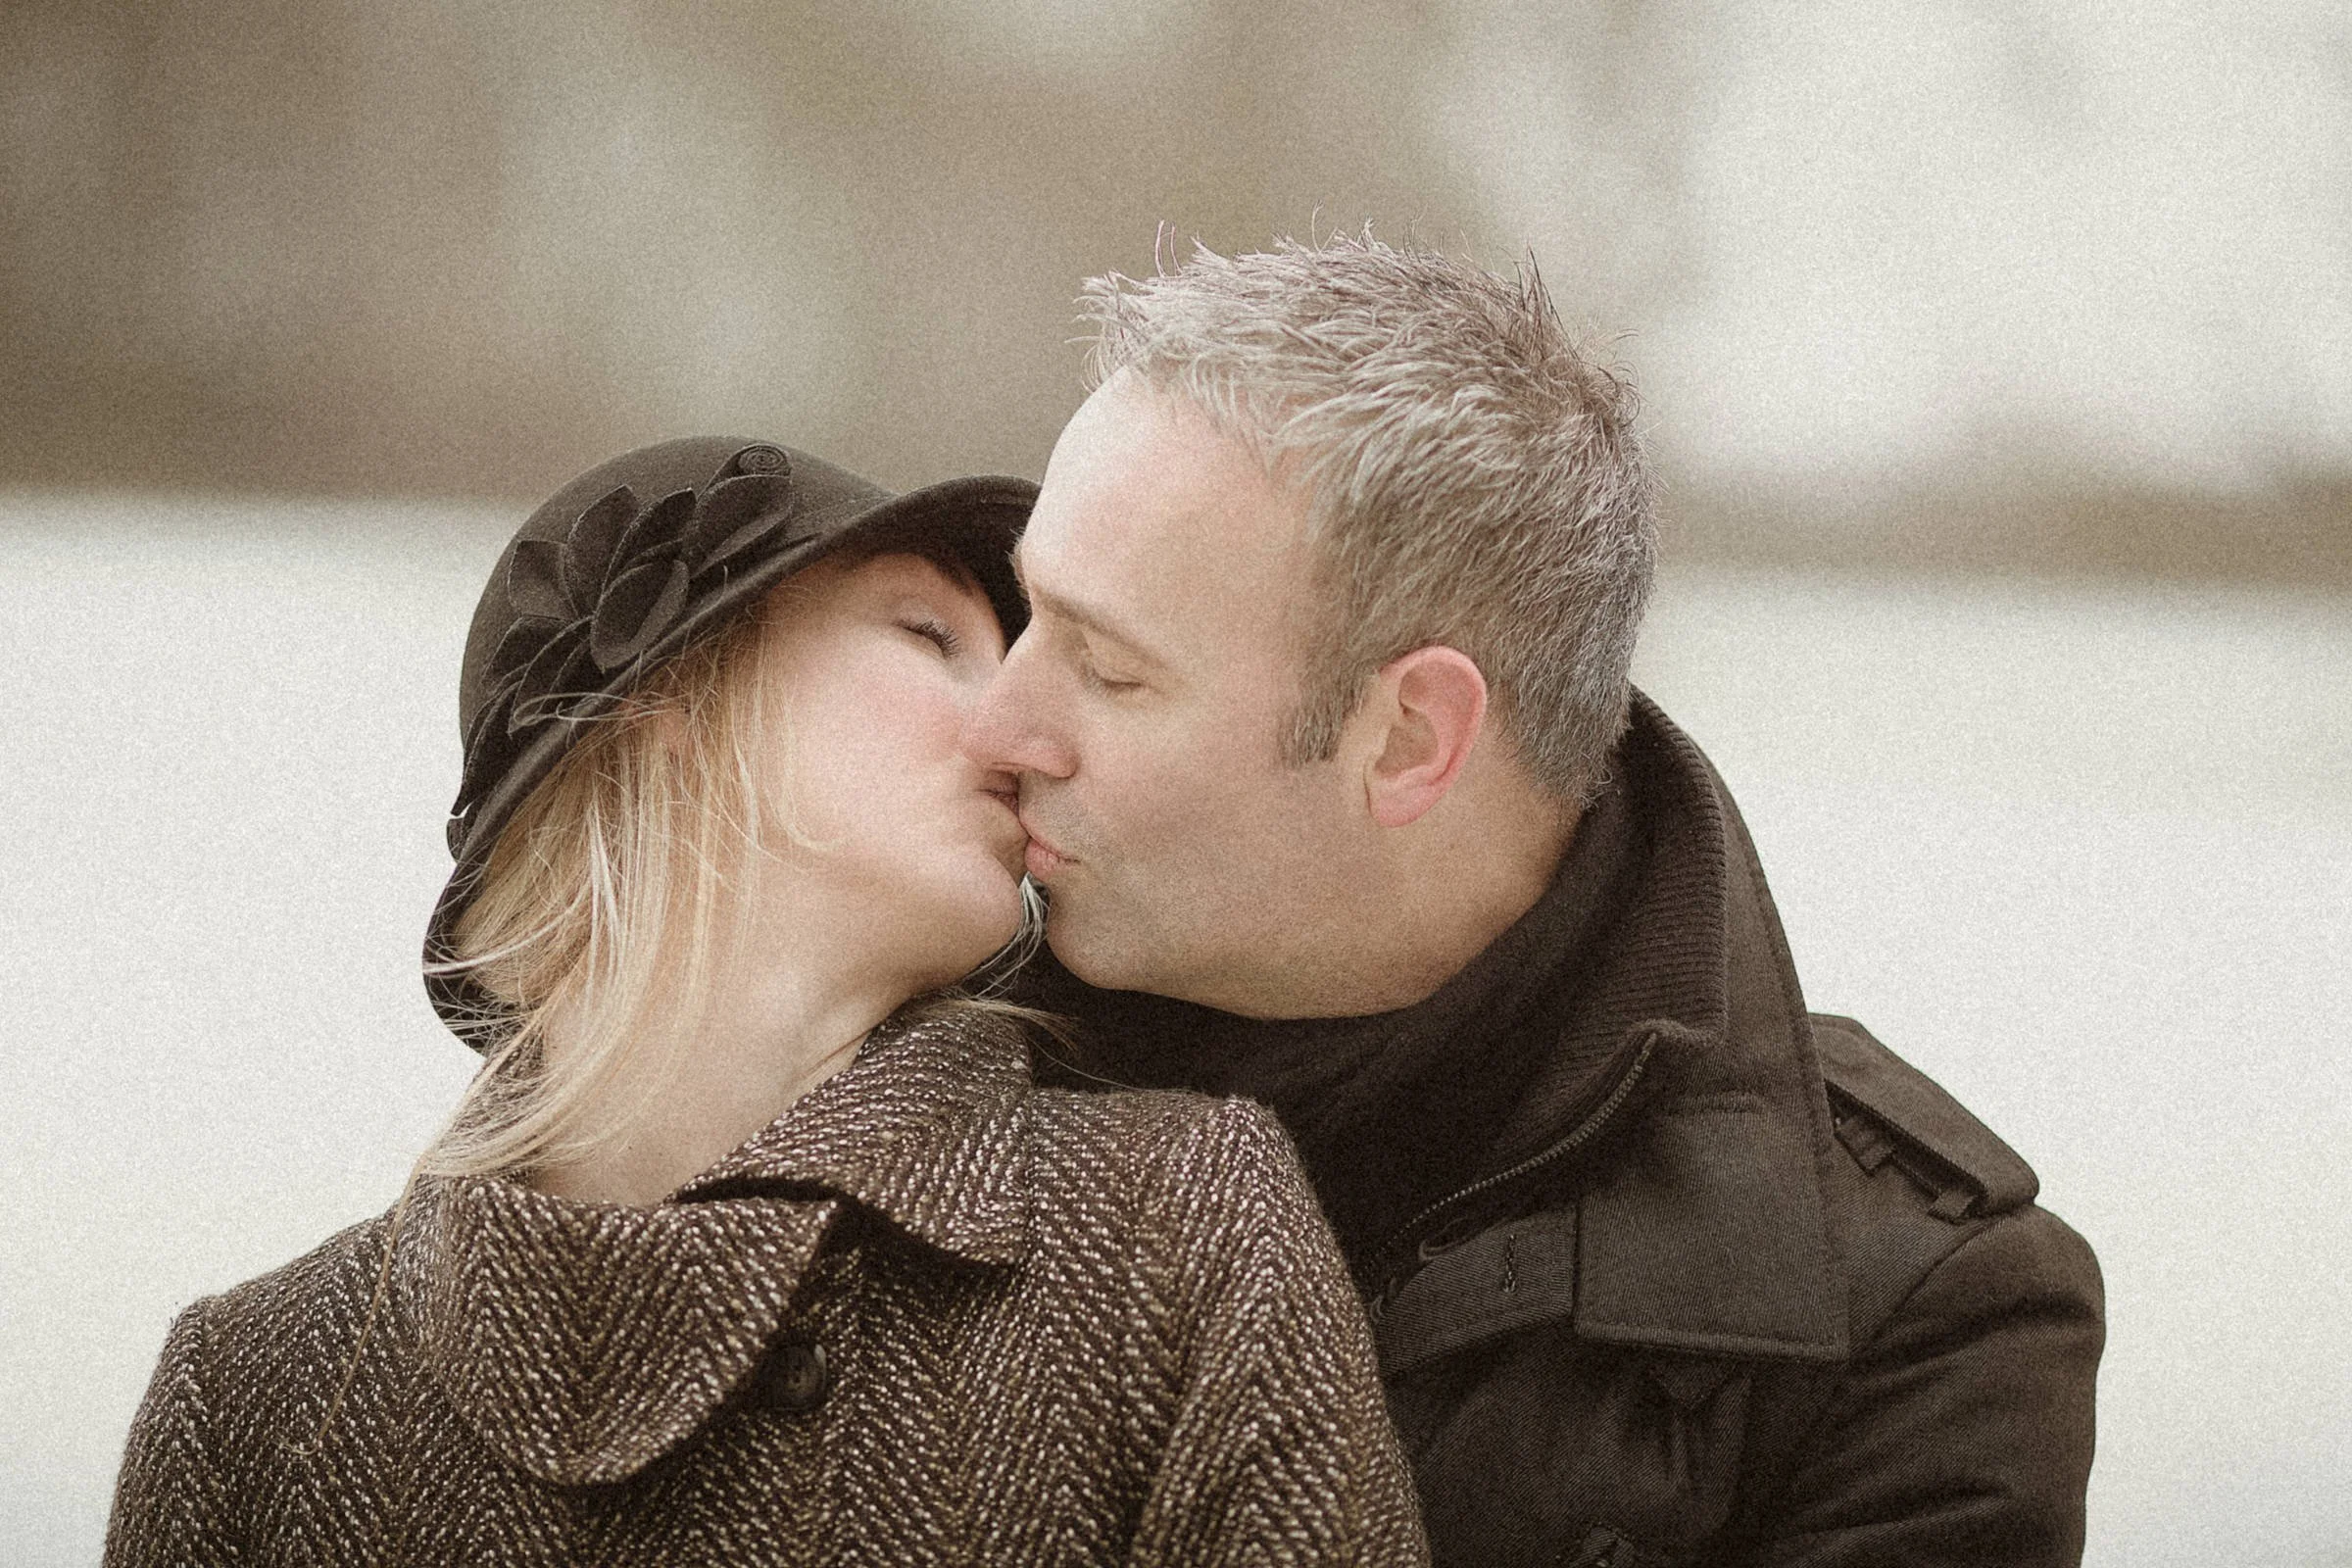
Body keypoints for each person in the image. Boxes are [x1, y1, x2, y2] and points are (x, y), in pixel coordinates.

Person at [966, 236, 2106, 1567]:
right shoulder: (868, 1051)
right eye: (1020, 614)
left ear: (1409, 739)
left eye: (1108, 670)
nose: (998, 725)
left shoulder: (1913, 1325)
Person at [104, 437, 1428, 1566]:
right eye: (932, 636)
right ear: (664, 694)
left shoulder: (1176, 1227)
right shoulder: (256, 1398)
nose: (1024, 733)